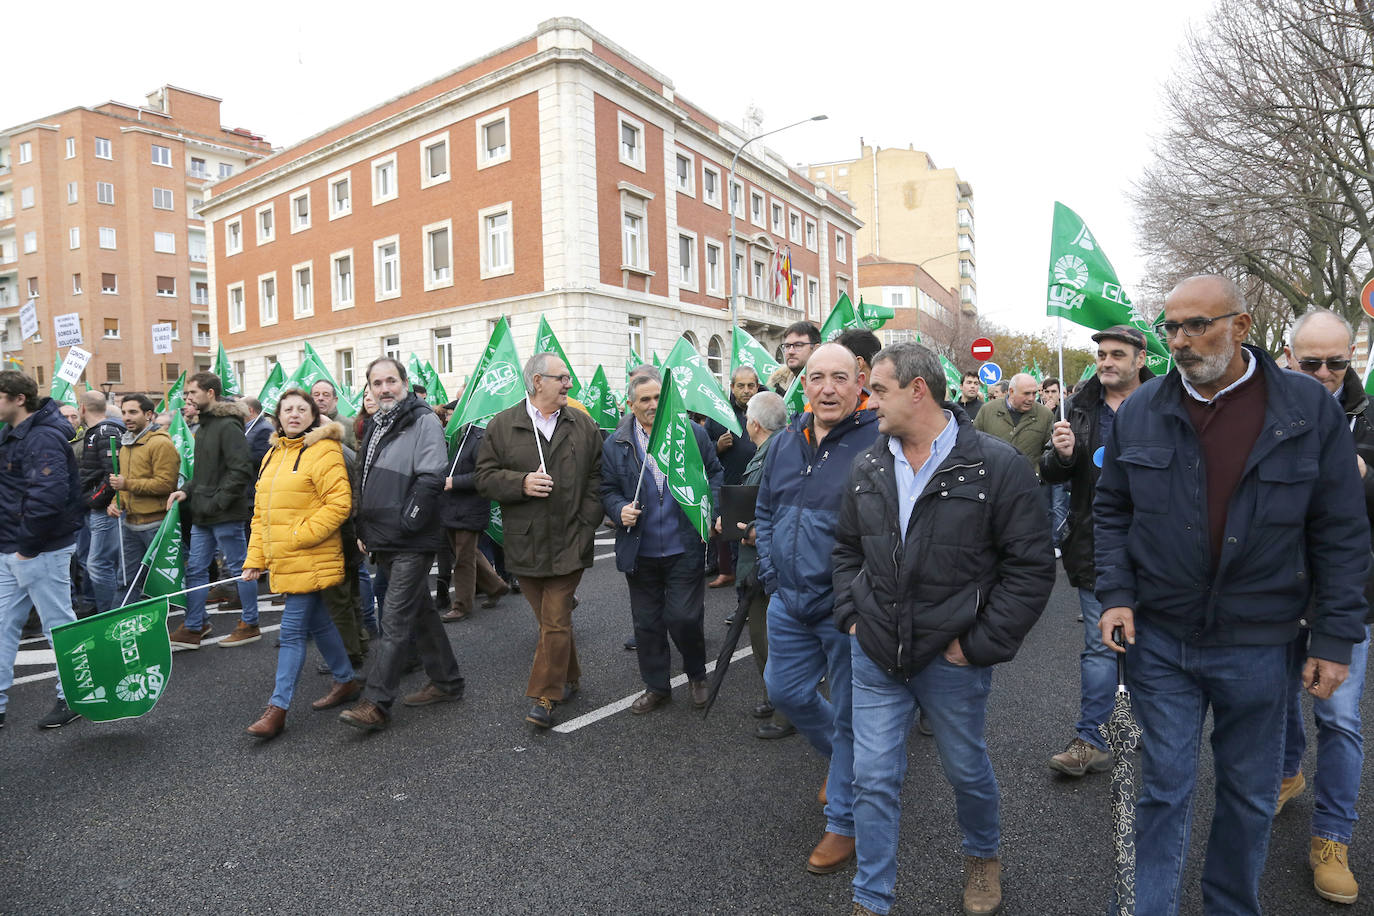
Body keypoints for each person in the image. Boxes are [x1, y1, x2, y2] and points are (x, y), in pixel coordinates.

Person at [1095, 275, 1370, 915]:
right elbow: (1110, 513)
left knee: (1248, 796)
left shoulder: (1306, 408)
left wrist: (1333, 639)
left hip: (1262, 644)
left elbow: (1341, 530)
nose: (1181, 341)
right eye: (1171, 328)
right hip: (1160, 640)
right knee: (1159, 790)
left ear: (1242, 327)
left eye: (1198, 325)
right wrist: (1116, 594)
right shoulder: (1142, 409)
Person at [835, 341, 1054, 916]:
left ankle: (983, 857)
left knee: (966, 771)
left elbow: (1030, 567)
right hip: (876, 651)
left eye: (877, 389)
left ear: (917, 389)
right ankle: (871, 897)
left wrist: (978, 644)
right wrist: (852, 616)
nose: (868, 400)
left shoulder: (996, 465)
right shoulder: (869, 464)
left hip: (950, 657)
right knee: (873, 778)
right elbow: (846, 549)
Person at [755, 342, 879, 875]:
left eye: (838, 377)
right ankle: (845, 766)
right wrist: (770, 572)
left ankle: (844, 825)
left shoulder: (880, 442)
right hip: (788, 600)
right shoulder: (786, 441)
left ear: (860, 382)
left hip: (845, 606)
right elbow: (764, 510)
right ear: (802, 384)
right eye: (815, 377)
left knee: (852, 717)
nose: (827, 388)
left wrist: (860, 595)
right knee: (784, 690)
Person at [1277, 307, 1372, 904]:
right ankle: (1287, 771)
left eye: (1336, 362)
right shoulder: (1266, 409)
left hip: (1348, 595)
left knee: (1338, 718)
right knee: (1275, 697)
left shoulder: (1367, 417)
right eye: (1310, 362)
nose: (1324, 372)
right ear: (1289, 357)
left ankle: (1333, 837)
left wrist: (1358, 473)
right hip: (1276, 591)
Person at [1040, 326, 1153, 779]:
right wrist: (1062, 455)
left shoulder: (1167, 403)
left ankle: (1147, 725)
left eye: (1116, 354)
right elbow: (1050, 472)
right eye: (1102, 354)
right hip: (1095, 543)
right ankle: (1091, 739)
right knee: (1100, 645)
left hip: (1160, 546)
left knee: (1151, 644)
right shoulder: (1079, 409)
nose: (1106, 362)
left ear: (1140, 359)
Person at [476, 352, 604, 729]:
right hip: (525, 542)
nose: (569, 384)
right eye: (561, 378)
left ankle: (546, 697)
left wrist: (589, 519)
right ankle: (571, 674)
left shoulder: (582, 423)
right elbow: (483, 479)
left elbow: (597, 474)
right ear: (537, 382)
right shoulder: (502, 426)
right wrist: (521, 483)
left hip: (571, 538)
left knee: (554, 619)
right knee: (554, 622)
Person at [339, 358, 464, 732]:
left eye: (391, 381)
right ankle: (447, 681)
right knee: (420, 611)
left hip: (411, 537)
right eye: (376, 383)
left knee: (393, 618)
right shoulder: (378, 423)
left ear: (405, 383)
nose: (384, 389)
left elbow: (431, 476)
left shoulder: (422, 419)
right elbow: (363, 480)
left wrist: (409, 521)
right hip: (385, 537)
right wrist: (363, 526)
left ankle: (376, 702)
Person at [602, 367, 723, 714]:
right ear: (631, 404)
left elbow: (714, 473)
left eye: (658, 397)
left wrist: (708, 507)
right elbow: (606, 489)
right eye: (645, 400)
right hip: (639, 550)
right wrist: (618, 508)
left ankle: (697, 674)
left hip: (684, 543)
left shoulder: (693, 434)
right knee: (647, 623)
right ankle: (657, 686)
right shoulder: (616, 443)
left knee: (684, 617)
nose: (653, 404)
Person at [241, 390, 357, 739]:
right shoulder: (272, 453)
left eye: (301, 409)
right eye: (287, 409)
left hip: (311, 554)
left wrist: (298, 536)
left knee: (292, 632)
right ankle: (347, 680)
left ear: (312, 415)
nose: (294, 414)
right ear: (278, 416)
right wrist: (255, 559)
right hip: (286, 558)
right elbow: (262, 515)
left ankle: (277, 709)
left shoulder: (325, 450)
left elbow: (339, 505)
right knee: (320, 624)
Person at [0, 371, 85, 729]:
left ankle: (74, 695)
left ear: (19, 398)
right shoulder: (12, 434)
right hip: (14, 546)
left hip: (39, 549)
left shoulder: (43, 437)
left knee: (59, 627)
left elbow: (48, 496)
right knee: (3, 626)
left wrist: (27, 548)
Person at [166, 373, 260, 649]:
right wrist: (189, 490)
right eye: (185, 394)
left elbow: (240, 470)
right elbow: (205, 472)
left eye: (192, 393)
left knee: (239, 568)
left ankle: (250, 623)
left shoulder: (227, 425)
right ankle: (195, 625)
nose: (187, 398)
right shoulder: (204, 425)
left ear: (210, 393)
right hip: (203, 511)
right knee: (195, 569)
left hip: (225, 512)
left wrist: (218, 501)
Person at [731, 390, 793, 739]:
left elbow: (773, 507)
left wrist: (749, 528)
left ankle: (787, 712)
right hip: (760, 557)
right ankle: (776, 697)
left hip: (765, 561)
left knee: (772, 639)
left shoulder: (773, 454)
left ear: (753, 423)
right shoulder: (777, 449)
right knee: (763, 636)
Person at [439, 420, 509, 622]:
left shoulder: (480, 438)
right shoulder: (454, 436)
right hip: (451, 506)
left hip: (470, 508)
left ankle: (462, 605)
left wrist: (454, 482)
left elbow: (484, 476)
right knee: (468, 553)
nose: (452, 415)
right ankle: (496, 586)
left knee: (463, 558)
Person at [109, 395, 180, 596]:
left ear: (149, 415)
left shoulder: (160, 444)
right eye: (123, 412)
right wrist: (116, 502)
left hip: (156, 526)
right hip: (130, 524)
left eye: (133, 412)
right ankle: (122, 624)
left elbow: (166, 484)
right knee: (127, 582)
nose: (126, 417)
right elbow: (122, 487)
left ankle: (194, 623)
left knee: (166, 583)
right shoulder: (126, 445)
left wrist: (127, 484)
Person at [702, 366, 759, 589]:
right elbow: (703, 454)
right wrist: (718, 446)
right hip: (731, 489)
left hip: (759, 488)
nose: (746, 390)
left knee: (756, 546)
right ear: (732, 388)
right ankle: (741, 597)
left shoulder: (765, 409)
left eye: (751, 385)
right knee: (733, 544)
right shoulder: (718, 415)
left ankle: (753, 600)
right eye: (741, 386)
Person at [77, 392, 124, 612]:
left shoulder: (105, 431)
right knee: (99, 563)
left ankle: (110, 614)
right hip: (99, 508)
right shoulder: (97, 432)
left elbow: (113, 473)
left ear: (83, 408)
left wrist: (94, 500)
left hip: (104, 511)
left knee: (98, 564)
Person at [770, 320, 821, 396]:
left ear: (815, 349)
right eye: (787, 346)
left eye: (798, 345)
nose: (791, 351)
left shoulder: (827, 387)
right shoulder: (781, 387)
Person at [311, 379, 357, 450]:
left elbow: (358, 458)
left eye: (326, 395)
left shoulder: (350, 425)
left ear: (335, 400)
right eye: (316, 395)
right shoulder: (303, 425)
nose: (320, 398)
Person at [242, 397, 273, 471]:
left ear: (250, 410)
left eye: (239, 409)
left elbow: (261, 457)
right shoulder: (246, 427)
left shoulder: (265, 429)